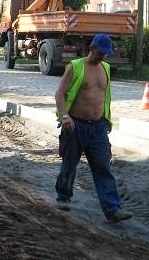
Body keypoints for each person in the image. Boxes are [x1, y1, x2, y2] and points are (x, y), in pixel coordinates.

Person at [54, 33, 133, 224]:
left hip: (98, 128)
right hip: (75, 127)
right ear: (92, 49)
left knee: (103, 167)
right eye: (101, 53)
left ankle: (113, 209)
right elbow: (59, 94)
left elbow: (104, 97)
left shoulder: (105, 68)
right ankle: (63, 197)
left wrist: (107, 118)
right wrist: (65, 116)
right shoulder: (76, 67)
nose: (104, 57)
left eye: (106, 54)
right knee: (69, 165)